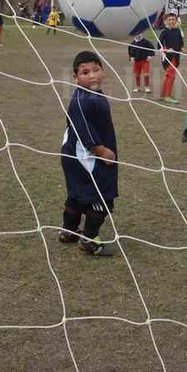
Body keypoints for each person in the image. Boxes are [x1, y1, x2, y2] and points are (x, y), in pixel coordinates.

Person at [58, 51, 118, 256]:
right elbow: (83, 128)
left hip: (73, 155)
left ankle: (68, 231)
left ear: (103, 71)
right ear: (75, 77)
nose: (92, 76)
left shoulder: (92, 94)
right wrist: (101, 151)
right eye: (85, 72)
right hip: (86, 157)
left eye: (95, 70)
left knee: (77, 195)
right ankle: (89, 240)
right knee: (102, 197)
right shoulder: (83, 99)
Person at [158, 11, 184, 104]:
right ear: (166, 21)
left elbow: (181, 41)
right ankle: (167, 96)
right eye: (169, 20)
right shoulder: (164, 32)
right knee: (171, 76)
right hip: (167, 58)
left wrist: (181, 47)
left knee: (168, 75)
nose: (171, 21)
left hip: (176, 57)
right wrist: (166, 49)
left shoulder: (178, 30)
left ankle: (163, 95)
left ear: (176, 21)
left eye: (173, 19)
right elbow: (159, 46)